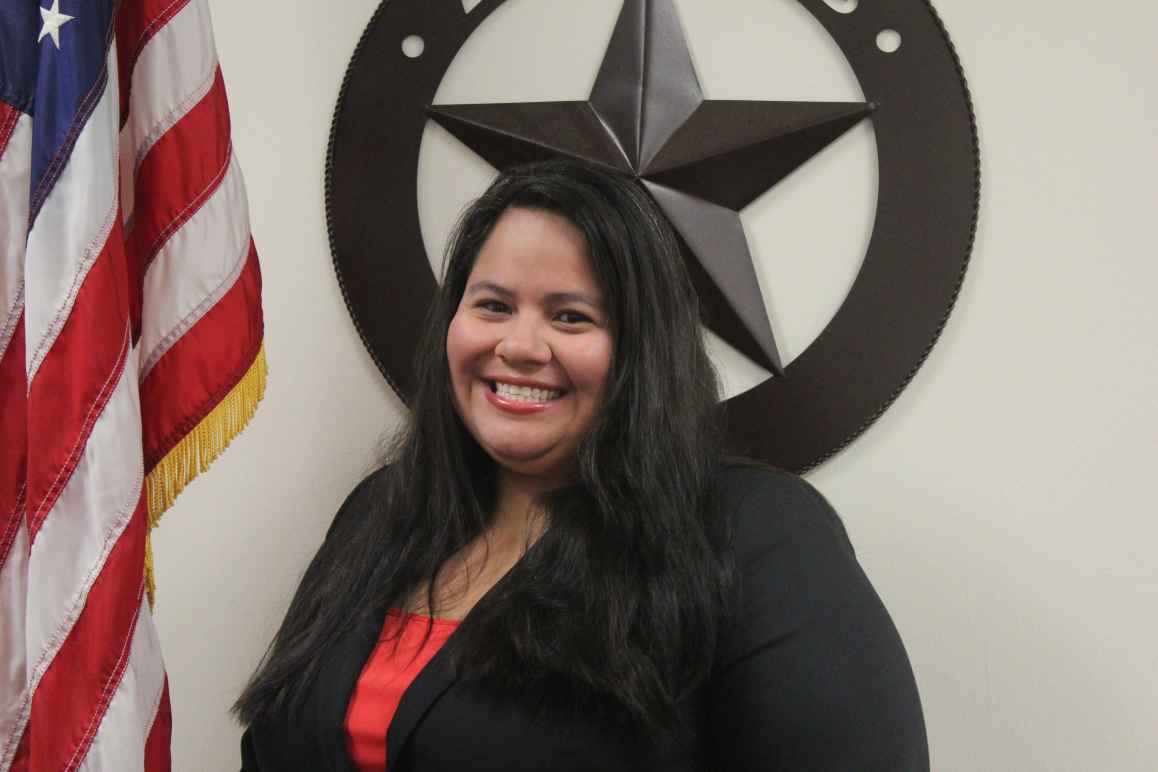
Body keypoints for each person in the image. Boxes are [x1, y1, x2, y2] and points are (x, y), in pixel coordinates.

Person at [234, 159, 929, 770]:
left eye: (570, 317)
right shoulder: (379, 514)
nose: (520, 344)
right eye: (493, 305)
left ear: (639, 351)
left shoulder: (756, 534)